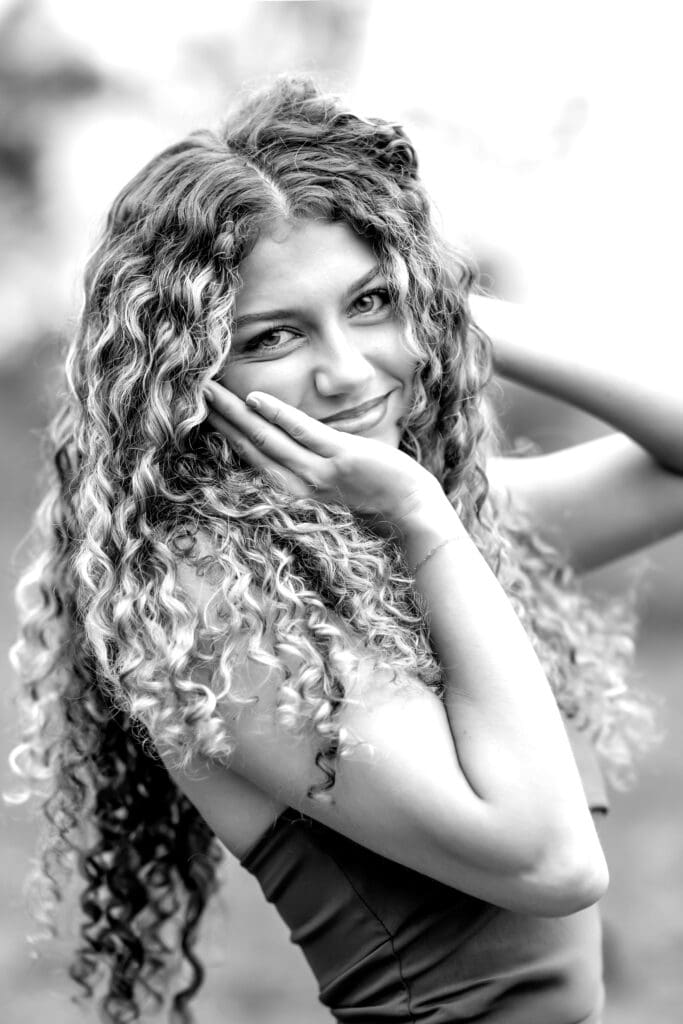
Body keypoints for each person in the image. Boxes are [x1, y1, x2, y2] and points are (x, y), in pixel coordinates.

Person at [8, 74, 683, 1024]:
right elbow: (551, 862)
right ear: (190, 373)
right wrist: (422, 520)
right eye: (275, 333)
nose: (343, 371)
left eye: (369, 302)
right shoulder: (213, 604)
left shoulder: (406, 528)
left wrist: (447, 309)